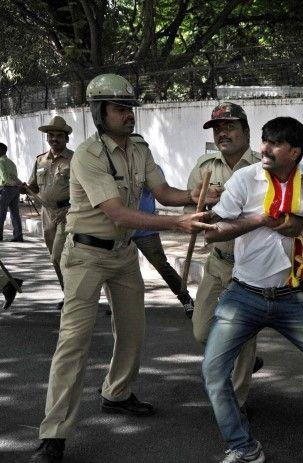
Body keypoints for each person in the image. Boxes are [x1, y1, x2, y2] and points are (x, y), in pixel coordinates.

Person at [32, 73, 220, 463]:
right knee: (73, 343)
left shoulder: (138, 148)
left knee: (133, 331)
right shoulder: (87, 155)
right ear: (100, 112)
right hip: (85, 254)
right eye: (120, 109)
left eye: (130, 108)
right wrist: (178, 223)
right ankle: (53, 434)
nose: (128, 116)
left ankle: (116, 393)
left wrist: (197, 194)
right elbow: (116, 212)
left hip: (122, 253)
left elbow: (164, 192)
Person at [202, 116, 303, 463]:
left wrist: (300, 218)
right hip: (244, 294)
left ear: (294, 152)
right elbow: (212, 231)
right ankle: (243, 447)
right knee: (212, 370)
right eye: (264, 140)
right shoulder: (244, 178)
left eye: (275, 143)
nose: (264, 148)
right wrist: (259, 219)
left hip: (292, 296)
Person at [186, 101, 262, 410]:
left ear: (245, 130)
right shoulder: (205, 166)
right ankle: (233, 361)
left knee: (241, 335)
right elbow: (191, 209)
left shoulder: (262, 167)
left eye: (229, 126)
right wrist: (200, 203)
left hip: (248, 266)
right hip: (217, 261)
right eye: (217, 129)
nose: (223, 133)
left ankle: (237, 402)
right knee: (202, 329)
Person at [24, 115, 74, 308]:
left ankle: (73, 297)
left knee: (58, 256)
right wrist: (23, 188)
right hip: (47, 214)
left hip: (67, 212)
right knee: (55, 259)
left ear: (66, 138)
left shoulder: (75, 159)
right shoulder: (40, 161)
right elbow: (33, 187)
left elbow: (85, 189)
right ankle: (68, 294)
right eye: (51, 135)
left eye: (59, 136)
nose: (54, 139)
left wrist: (71, 209)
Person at [133, 165, 194, 314]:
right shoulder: (114, 165)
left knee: (161, 265)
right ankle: (118, 303)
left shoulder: (151, 169)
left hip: (146, 229)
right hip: (121, 228)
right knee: (117, 267)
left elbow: (164, 194)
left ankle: (185, 297)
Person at [0, 142, 24, 242]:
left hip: (6, 188)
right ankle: (18, 236)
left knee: (1, 212)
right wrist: (20, 184)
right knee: (15, 213)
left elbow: (4, 177)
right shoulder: (11, 162)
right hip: (15, 189)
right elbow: (15, 177)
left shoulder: (1, 161)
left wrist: (5, 184)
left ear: (2, 150)